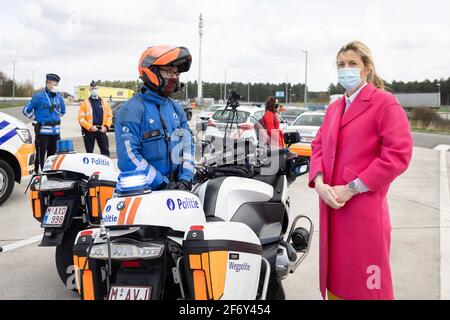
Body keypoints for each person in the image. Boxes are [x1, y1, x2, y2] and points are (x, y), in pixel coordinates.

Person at [308, 41, 413, 300]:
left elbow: (397, 155)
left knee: (368, 285)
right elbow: (318, 146)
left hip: (362, 211)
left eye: (352, 64)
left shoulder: (384, 104)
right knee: (335, 281)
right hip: (332, 205)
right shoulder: (334, 108)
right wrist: (319, 182)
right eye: (341, 65)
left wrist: (352, 188)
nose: (346, 69)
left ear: (366, 68)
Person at [115, 46, 195, 191]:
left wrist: (185, 179)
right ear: (151, 71)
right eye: (168, 71)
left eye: (176, 73)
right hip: (144, 193)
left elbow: (188, 147)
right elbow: (129, 159)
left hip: (178, 191)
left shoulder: (177, 109)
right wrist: (163, 183)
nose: (174, 77)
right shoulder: (131, 110)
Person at [23, 73, 66, 173]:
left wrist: (54, 118)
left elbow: (63, 111)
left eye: (56, 85)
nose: (55, 87)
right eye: (54, 85)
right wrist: (36, 119)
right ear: (48, 83)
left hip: (56, 134)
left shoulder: (59, 97)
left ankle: (51, 176)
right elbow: (25, 110)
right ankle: (39, 176)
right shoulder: (38, 96)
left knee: (53, 159)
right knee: (40, 158)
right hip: (43, 134)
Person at [78, 81, 112, 157]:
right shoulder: (85, 103)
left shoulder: (104, 102)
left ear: (98, 89)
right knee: (90, 154)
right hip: (89, 131)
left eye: (95, 88)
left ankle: (105, 168)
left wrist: (106, 127)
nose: (94, 90)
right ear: (90, 90)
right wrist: (90, 127)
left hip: (101, 130)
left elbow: (110, 116)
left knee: (105, 153)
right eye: (92, 88)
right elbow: (80, 118)